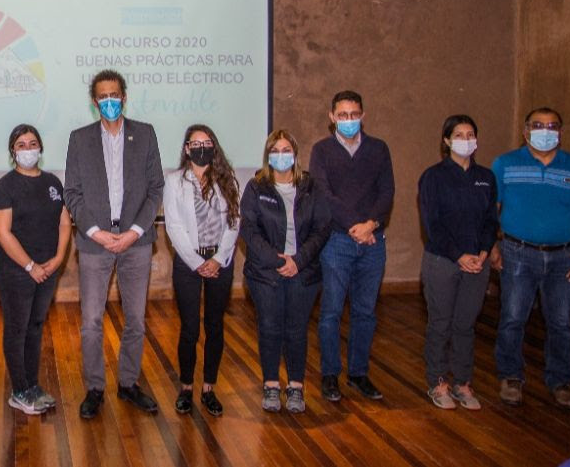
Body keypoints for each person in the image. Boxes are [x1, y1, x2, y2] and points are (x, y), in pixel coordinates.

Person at [491, 107, 570, 411]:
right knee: (513, 317)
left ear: (561, 132)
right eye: (538, 125)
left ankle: (560, 381)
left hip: (563, 257)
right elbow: (491, 208)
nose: (546, 131)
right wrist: (491, 245)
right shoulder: (505, 164)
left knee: (561, 322)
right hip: (517, 252)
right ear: (526, 130)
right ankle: (511, 377)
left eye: (552, 126)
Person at [64, 69, 165, 419]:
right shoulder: (79, 139)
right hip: (95, 243)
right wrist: (95, 231)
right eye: (103, 96)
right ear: (95, 102)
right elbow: (72, 193)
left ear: (124, 96)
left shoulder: (145, 134)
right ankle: (94, 388)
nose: (110, 101)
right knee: (91, 321)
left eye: (115, 94)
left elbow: (155, 189)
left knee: (135, 319)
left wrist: (135, 230)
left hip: (136, 241)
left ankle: (128, 383)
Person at [309, 90, 395, 402]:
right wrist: (354, 227)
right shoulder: (321, 151)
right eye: (342, 115)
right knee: (331, 311)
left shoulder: (378, 149)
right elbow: (323, 194)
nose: (348, 120)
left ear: (363, 114)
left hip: (373, 242)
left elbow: (387, 192)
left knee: (365, 312)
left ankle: (359, 374)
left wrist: (370, 225)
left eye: (354, 114)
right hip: (336, 242)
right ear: (332, 117)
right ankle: (330, 374)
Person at [240, 130, 331, 414]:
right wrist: (278, 261)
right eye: (275, 150)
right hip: (266, 274)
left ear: (295, 153)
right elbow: (250, 230)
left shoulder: (311, 187)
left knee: (296, 330)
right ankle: (271, 384)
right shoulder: (257, 187)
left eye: (286, 149)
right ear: (268, 155)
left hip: (303, 272)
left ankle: (295, 386)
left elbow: (322, 228)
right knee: (269, 328)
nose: (281, 155)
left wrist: (298, 260)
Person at [417, 115, 498, 411]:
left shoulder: (486, 177)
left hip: (478, 263)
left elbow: (491, 220)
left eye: (470, 134)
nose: (466, 139)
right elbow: (432, 224)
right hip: (443, 261)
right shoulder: (433, 177)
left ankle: (463, 382)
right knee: (440, 323)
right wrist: (459, 256)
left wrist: (484, 252)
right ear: (447, 141)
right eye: (459, 134)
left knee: (465, 325)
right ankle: (438, 383)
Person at [0, 124, 71, 415]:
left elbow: (64, 222)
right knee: (17, 328)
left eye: (32, 143)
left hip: (48, 270)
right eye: (21, 144)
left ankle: (32, 384)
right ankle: (19, 390)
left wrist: (59, 257)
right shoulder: (6, 186)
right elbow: (2, 232)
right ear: (13, 151)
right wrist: (30, 266)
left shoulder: (52, 182)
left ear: (41, 148)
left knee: (36, 327)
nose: (28, 149)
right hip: (16, 273)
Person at [162, 124, 240, 417]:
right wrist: (197, 263)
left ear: (214, 146)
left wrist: (218, 259)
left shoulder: (227, 178)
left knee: (215, 326)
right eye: (195, 143)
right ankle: (186, 388)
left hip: (220, 262)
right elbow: (174, 226)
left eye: (207, 142)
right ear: (186, 149)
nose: (201, 147)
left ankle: (209, 388)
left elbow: (234, 221)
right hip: (188, 263)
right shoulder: (173, 181)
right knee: (190, 328)